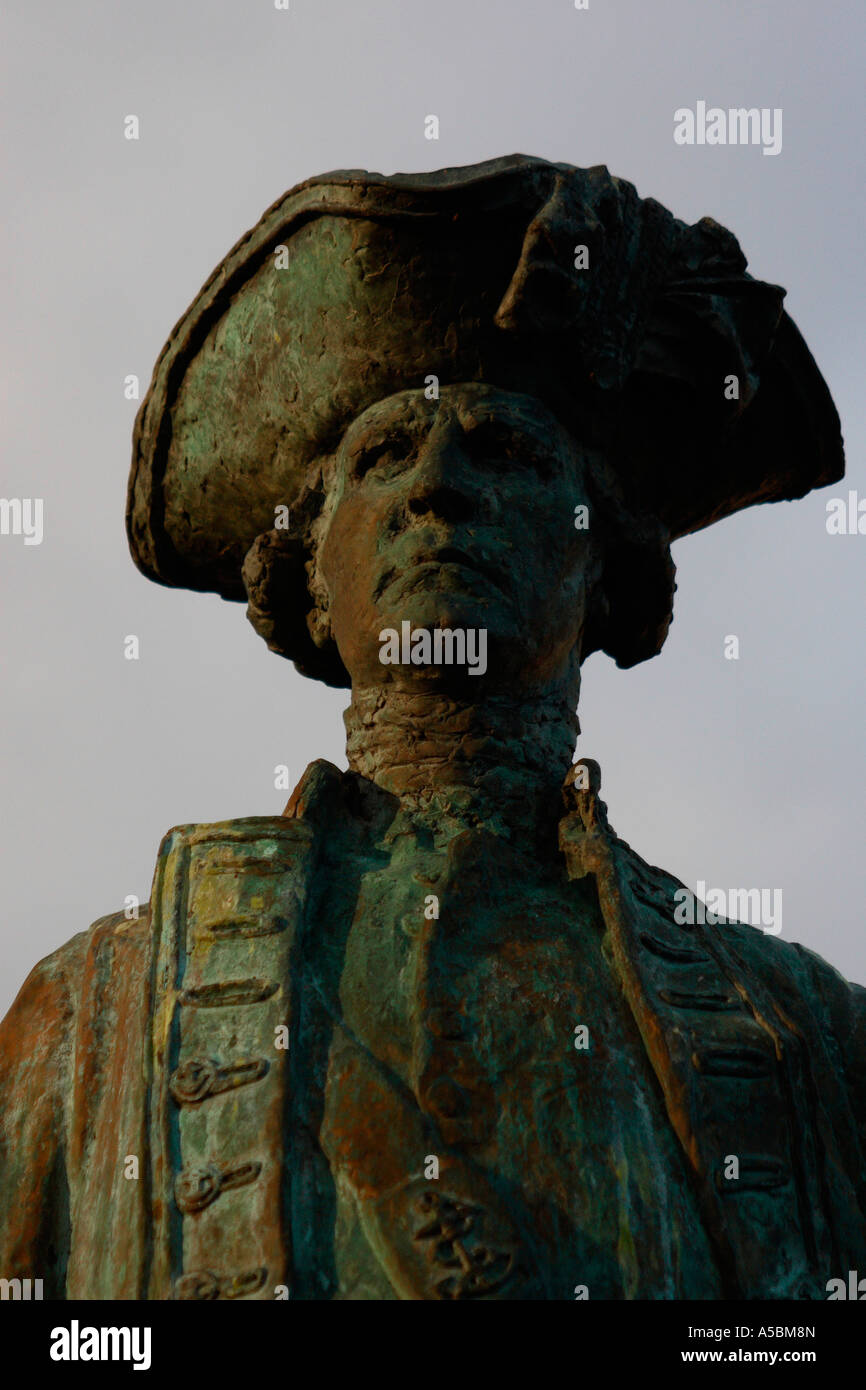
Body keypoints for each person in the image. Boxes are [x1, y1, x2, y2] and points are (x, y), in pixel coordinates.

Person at [2, 156, 863, 1300]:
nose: (436, 487)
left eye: (505, 451)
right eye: (383, 455)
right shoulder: (96, 1019)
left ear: (607, 567)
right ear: (308, 574)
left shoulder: (807, 1040)